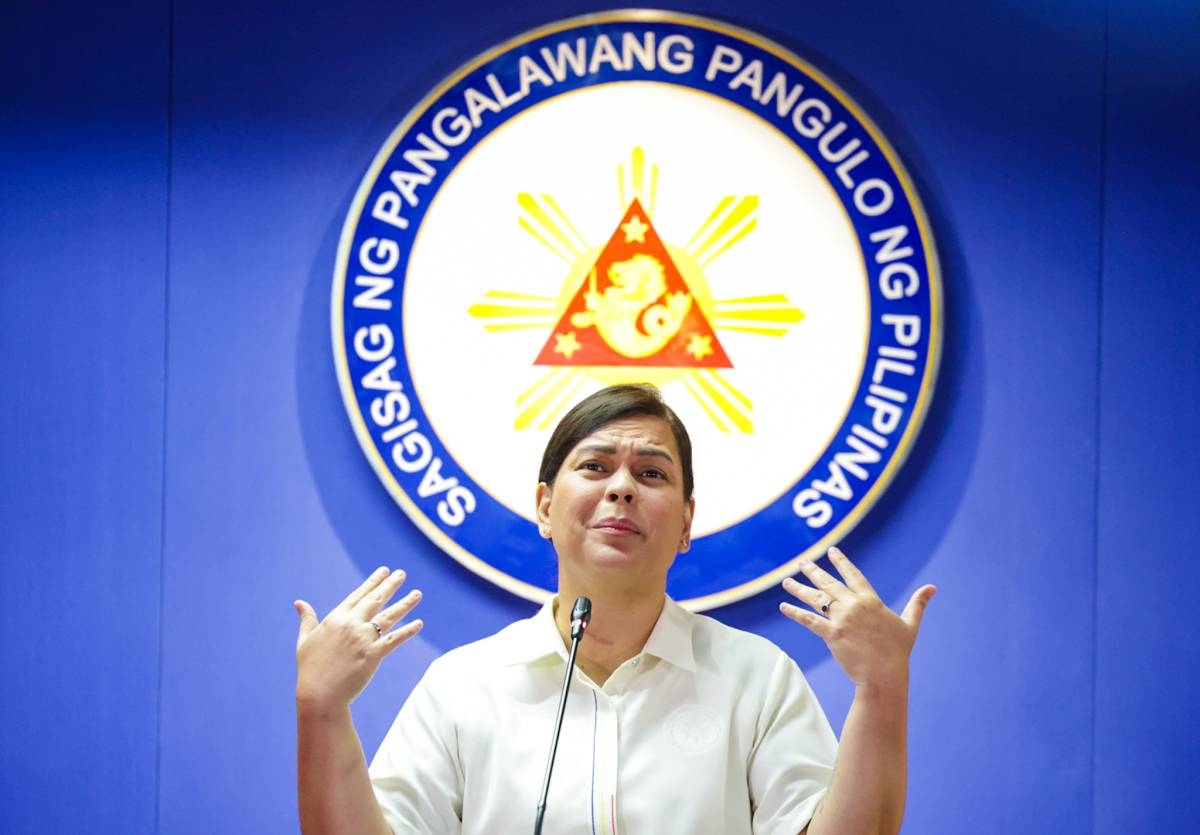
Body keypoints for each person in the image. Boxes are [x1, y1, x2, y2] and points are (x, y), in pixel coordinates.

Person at [295, 383, 935, 835]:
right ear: (545, 507)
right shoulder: (463, 688)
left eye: (652, 474)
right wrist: (320, 711)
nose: (622, 487)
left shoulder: (755, 679)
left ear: (686, 522)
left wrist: (882, 688)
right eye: (595, 466)